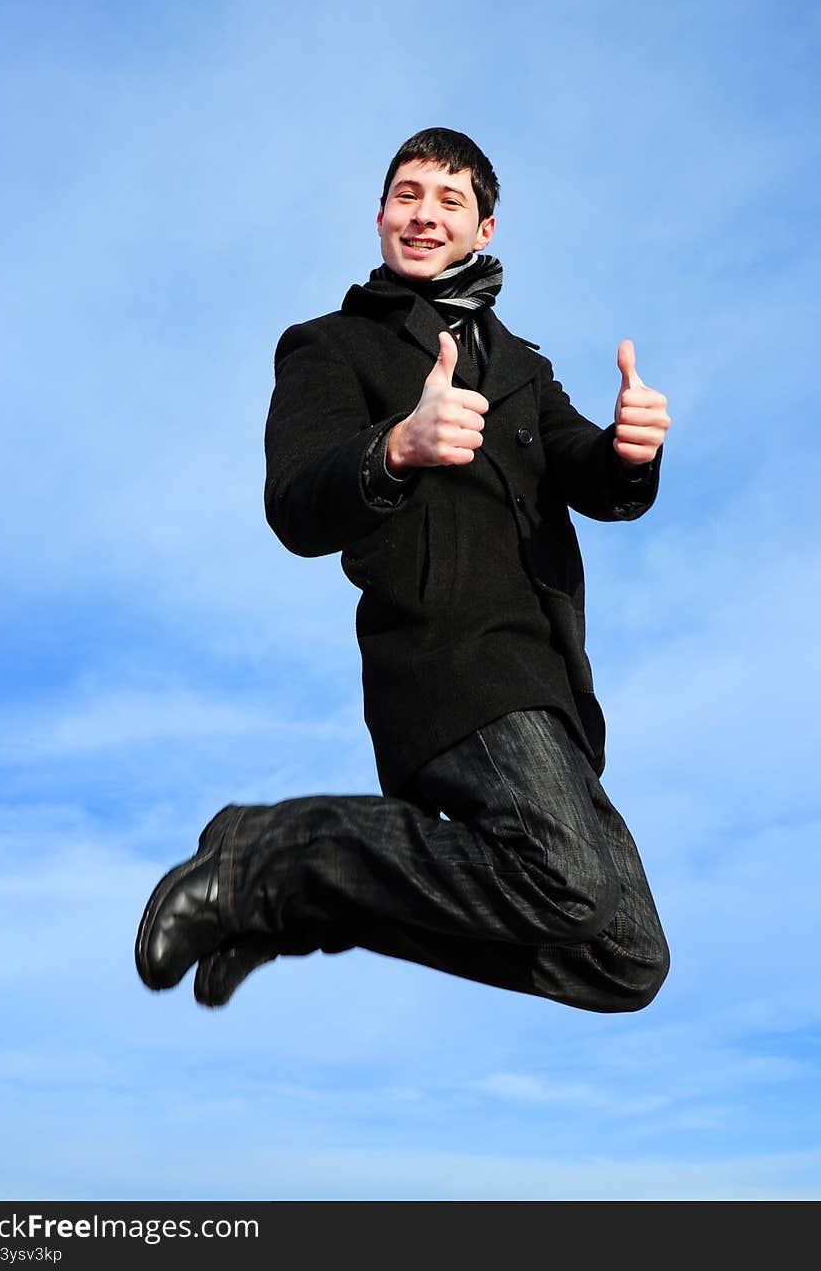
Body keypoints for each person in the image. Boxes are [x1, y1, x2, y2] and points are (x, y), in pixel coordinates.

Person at [135, 127, 672, 1014]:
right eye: (408, 195)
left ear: (485, 229)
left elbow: (592, 471)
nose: (425, 215)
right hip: (448, 660)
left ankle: (295, 903)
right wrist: (395, 448)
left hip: (551, 683)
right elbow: (295, 504)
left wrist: (631, 448)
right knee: (571, 883)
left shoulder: (525, 367)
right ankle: (266, 854)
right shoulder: (332, 344)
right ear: (381, 214)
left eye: (449, 200)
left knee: (624, 960)